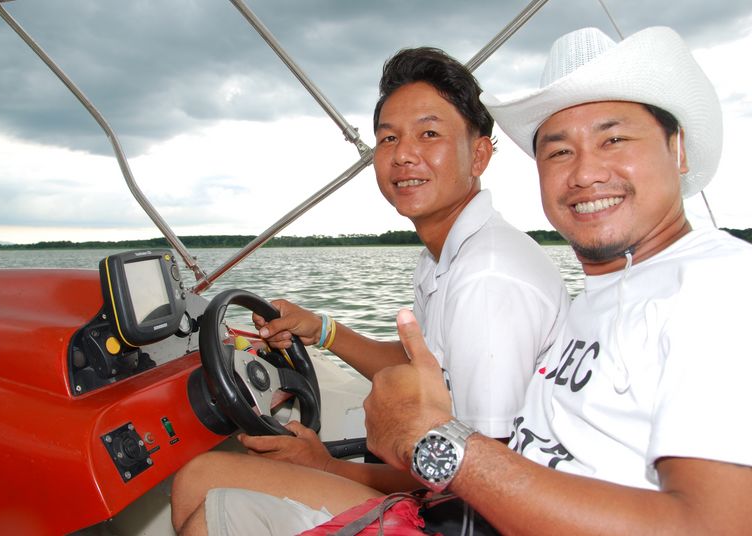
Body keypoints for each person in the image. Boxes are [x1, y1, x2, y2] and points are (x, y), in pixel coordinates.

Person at [362, 26, 752, 534]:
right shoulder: (598, 300)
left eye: (614, 139)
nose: (585, 173)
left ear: (677, 150)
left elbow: (713, 526)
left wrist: (435, 443)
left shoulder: (720, 286)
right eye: (559, 151)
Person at [170, 47, 569, 535]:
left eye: (429, 133)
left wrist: (326, 466)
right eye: (388, 138)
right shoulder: (447, 255)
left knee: (205, 493)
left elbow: (481, 481)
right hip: (457, 491)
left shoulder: (487, 279)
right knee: (200, 478)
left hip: (474, 519)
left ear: (480, 154)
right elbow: (422, 369)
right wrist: (322, 330)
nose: (403, 154)